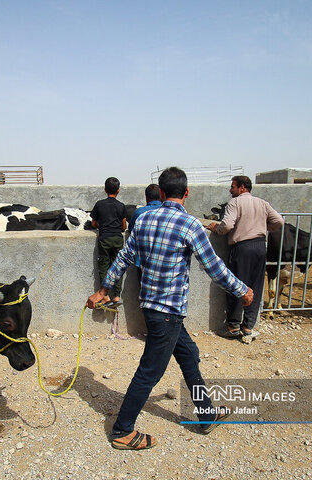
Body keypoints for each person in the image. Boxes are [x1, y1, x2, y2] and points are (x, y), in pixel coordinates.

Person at [87, 167, 254, 450]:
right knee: (150, 372)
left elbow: (124, 258)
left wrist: (104, 289)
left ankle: (206, 413)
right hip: (168, 312)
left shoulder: (143, 219)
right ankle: (122, 431)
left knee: (189, 356)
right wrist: (243, 290)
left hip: (154, 308)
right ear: (186, 193)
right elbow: (214, 267)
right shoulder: (190, 225)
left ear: (161, 193)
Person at [207, 175, 283, 341]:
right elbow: (279, 221)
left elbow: (227, 225)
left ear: (242, 188)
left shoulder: (235, 202)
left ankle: (233, 326)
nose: (230, 189)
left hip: (242, 248)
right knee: (255, 286)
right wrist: (263, 227)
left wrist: (216, 228)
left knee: (236, 285)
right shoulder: (262, 203)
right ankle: (248, 327)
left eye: (233, 186)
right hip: (260, 247)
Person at [90, 177, 127, 308]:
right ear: (118, 190)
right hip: (117, 239)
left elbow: (93, 223)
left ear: (105, 190)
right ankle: (117, 295)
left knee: (104, 267)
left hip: (104, 239)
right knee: (118, 267)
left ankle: (105, 296)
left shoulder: (99, 204)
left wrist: (101, 225)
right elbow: (124, 226)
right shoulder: (121, 206)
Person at [128, 184, 162, 281]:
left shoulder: (139, 212)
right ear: (161, 195)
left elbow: (131, 229)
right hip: (163, 260)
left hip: (143, 260)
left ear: (146, 197)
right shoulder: (168, 211)